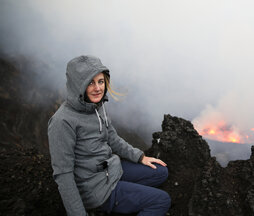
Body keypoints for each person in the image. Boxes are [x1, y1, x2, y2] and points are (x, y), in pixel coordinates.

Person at [48, 55, 171, 216]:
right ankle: (112, 203)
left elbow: (112, 138)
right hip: (95, 189)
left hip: (111, 170)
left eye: (100, 81)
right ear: (77, 85)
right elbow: (63, 175)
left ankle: (126, 198)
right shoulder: (62, 122)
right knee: (161, 200)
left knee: (161, 172)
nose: (98, 88)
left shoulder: (96, 106)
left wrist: (140, 157)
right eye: (90, 83)